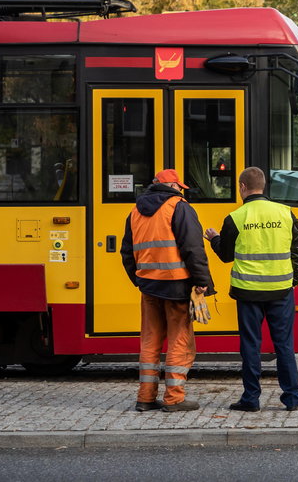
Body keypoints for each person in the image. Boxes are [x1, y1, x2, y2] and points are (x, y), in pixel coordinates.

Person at [205, 167, 298, 413]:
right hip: (281, 291)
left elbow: (226, 255)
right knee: (284, 345)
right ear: (263, 186)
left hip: (248, 292)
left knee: (251, 345)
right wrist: (292, 282)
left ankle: (251, 399)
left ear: (242, 187)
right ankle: (292, 398)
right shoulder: (285, 213)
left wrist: (214, 238)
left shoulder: (236, 217)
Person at [121, 168, 215, 413]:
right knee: (179, 341)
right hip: (176, 287)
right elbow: (193, 249)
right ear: (174, 187)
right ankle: (174, 398)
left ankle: (145, 397)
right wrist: (202, 281)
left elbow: (126, 254)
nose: (181, 192)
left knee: (150, 341)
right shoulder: (179, 207)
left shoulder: (135, 212)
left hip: (149, 287)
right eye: (179, 188)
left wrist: (140, 280)